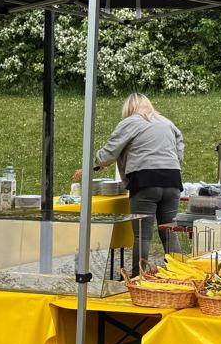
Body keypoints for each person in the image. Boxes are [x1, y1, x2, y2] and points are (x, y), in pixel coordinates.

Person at [75, 93, 185, 273]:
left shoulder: (130, 122)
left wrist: (92, 165)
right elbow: (179, 146)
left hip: (145, 181)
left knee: (143, 235)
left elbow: (110, 153)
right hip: (172, 179)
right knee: (169, 232)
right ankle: (179, 274)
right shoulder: (167, 122)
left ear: (128, 108)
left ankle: (138, 277)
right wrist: (171, 163)